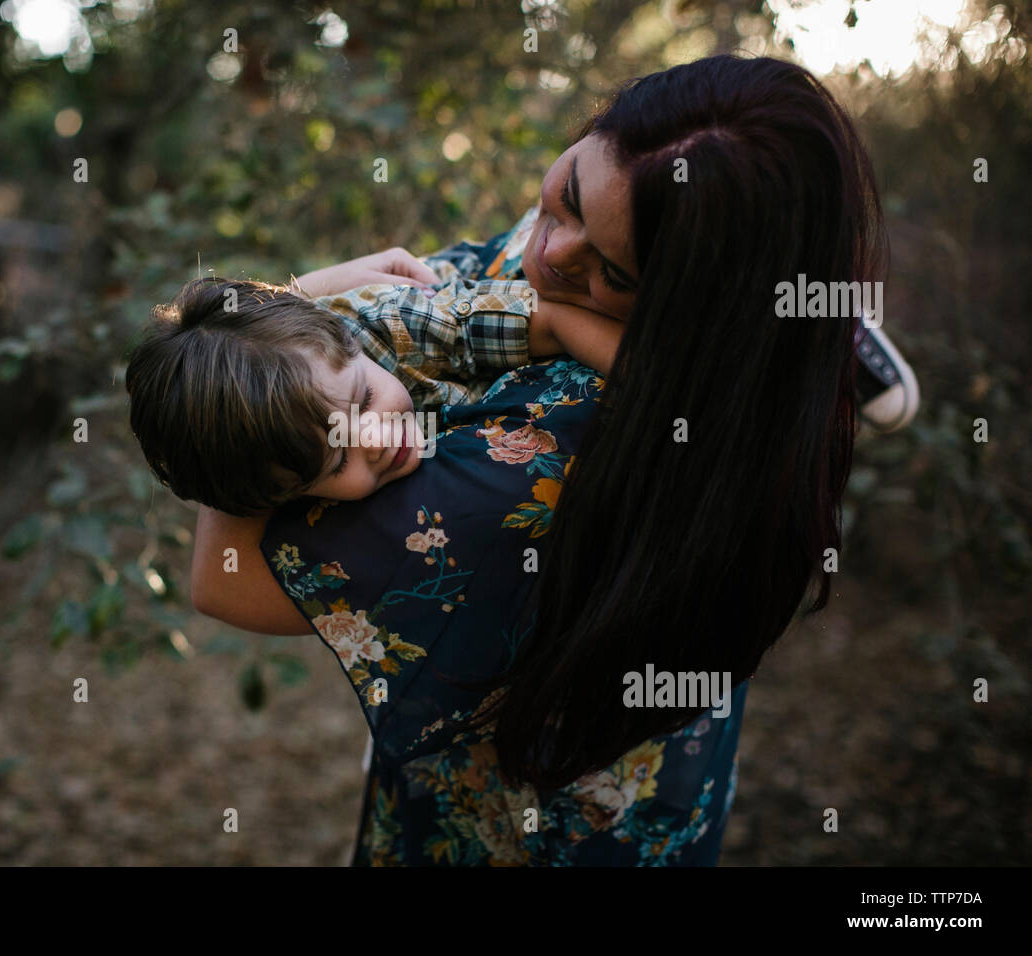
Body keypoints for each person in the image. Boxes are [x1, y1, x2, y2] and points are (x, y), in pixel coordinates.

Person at [187, 55, 903, 865]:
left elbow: (223, 579)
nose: (544, 253)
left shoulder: (525, 470)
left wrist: (274, 333)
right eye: (564, 195)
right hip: (672, 774)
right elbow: (436, 304)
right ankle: (820, 333)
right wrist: (297, 319)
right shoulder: (626, 281)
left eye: (612, 271)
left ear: (689, 297)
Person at [124, 263, 622, 516]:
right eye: (337, 463)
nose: (377, 440)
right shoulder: (272, 469)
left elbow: (550, 319)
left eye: (363, 401)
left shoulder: (398, 320)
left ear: (346, 339)